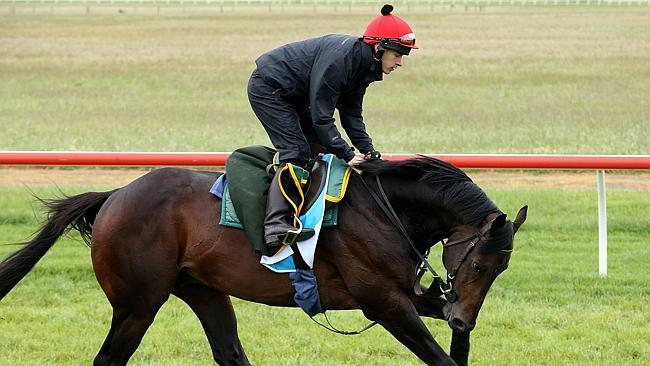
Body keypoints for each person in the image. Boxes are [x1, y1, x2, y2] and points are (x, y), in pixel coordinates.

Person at [247, 4, 417, 248]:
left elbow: (351, 115)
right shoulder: (340, 62)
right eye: (398, 55)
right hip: (269, 89)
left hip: (293, 94)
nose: (400, 62)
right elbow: (321, 117)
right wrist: (348, 155)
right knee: (296, 151)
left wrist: (368, 150)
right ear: (379, 48)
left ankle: (309, 215)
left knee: (318, 148)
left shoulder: (364, 65)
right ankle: (276, 224)